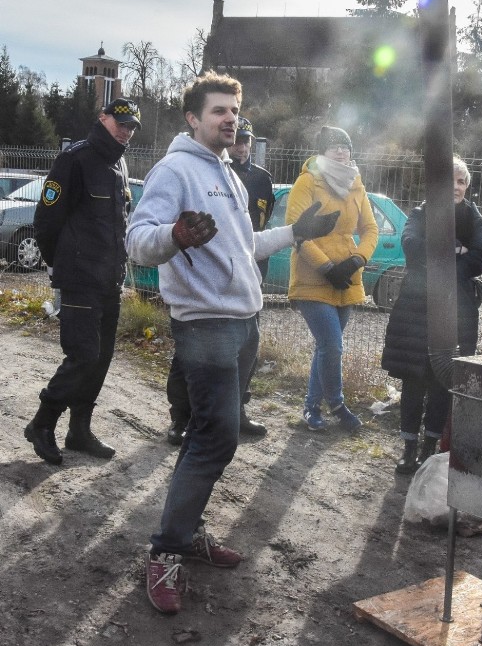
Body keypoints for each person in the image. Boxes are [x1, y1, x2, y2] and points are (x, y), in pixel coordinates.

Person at [126, 71, 339, 614]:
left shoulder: (231, 175)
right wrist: (173, 236)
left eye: (234, 113)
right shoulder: (174, 170)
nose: (229, 120)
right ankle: (165, 552)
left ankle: (188, 530)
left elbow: (247, 245)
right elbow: (137, 242)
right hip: (205, 326)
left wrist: (297, 233)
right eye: (218, 111)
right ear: (193, 118)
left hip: (245, 323)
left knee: (208, 434)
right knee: (216, 438)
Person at [24, 97, 141, 465]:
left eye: (132, 126)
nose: (126, 130)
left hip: (110, 279)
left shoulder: (119, 163)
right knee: (83, 354)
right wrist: (58, 265)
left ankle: (79, 430)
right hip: (79, 278)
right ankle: (43, 423)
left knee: (102, 358)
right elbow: (47, 219)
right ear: (102, 118)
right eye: (120, 122)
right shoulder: (74, 159)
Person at [164, 115, 274, 445]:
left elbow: (259, 228)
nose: (241, 146)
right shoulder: (204, 172)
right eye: (238, 139)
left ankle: (236, 410)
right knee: (190, 355)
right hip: (206, 283)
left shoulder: (261, 179)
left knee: (244, 352)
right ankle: (180, 418)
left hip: (248, 276)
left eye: (247, 141)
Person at [381, 156, 482, 473]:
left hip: (457, 311)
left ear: (467, 186)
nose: (456, 187)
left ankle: (430, 448)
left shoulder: (472, 217)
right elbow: (411, 245)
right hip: (417, 311)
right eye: (450, 180)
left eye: (461, 181)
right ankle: (408, 449)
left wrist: (443, 265)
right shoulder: (421, 212)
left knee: (444, 381)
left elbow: (480, 256)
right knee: (413, 381)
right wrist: (454, 251)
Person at [286, 126, 378, 433]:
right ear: (321, 151)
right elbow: (296, 231)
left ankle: (311, 408)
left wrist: (356, 260)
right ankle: (337, 405)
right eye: (333, 146)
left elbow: (371, 230)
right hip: (313, 277)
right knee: (332, 345)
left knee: (326, 347)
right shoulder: (307, 182)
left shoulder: (356, 185)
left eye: (345, 146)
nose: (340, 151)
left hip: (347, 278)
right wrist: (327, 268)